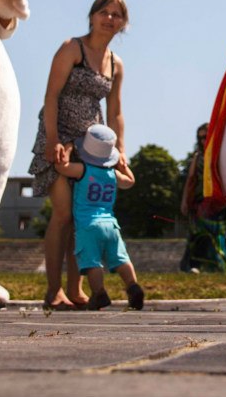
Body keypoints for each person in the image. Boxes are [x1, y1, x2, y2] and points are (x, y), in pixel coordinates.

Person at [28, 0, 127, 309]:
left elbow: (116, 112)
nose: (109, 19)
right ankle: (53, 289)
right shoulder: (72, 48)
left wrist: (120, 150)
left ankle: (76, 289)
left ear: (123, 23)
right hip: (59, 134)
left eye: (116, 15)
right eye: (104, 12)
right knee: (63, 213)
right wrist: (53, 140)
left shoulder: (116, 64)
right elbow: (51, 96)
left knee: (84, 216)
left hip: (92, 144)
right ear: (92, 15)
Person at [53, 124, 145, 310]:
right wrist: (123, 165)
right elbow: (131, 182)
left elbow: (61, 167)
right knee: (121, 258)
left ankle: (99, 293)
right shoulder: (113, 173)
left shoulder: (82, 169)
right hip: (111, 225)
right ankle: (132, 286)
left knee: (92, 262)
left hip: (88, 225)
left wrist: (69, 147)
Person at [179, 122, 226, 273]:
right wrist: (185, 201)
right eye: (200, 137)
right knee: (199, 234)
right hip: (200, 202)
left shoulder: (222, 153)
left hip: (220, 203)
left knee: (219, 235)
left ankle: (220, 266)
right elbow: (191, 179)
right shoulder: (199, 156)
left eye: (206, 136)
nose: (203, 140)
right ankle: (195, 266)